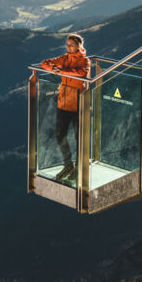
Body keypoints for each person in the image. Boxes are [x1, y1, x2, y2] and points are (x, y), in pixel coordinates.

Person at [38, 33, 89, 182]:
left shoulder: (84, 61)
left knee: (79, 139)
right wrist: (54, 68)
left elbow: (81, 73)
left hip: (78, 105)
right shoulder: (64, 58)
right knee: (60, 135)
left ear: (79, 46)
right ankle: (68, 165)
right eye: (67, 44)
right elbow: (44, 63)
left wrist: (61, 71)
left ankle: (79, 169)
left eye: (71, 45)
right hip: (63, 104)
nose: (68, 47)